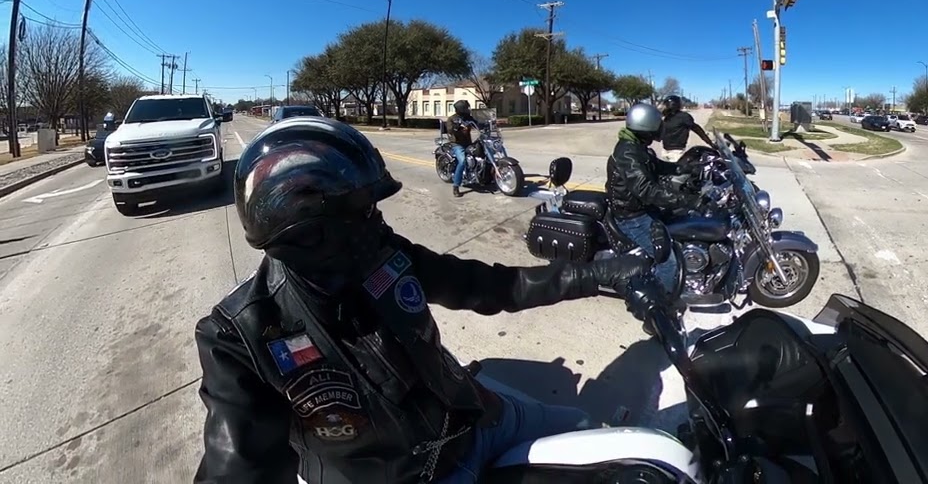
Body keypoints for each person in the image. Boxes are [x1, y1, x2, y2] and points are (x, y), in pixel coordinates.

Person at [193, 117, 649, 484]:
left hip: (480, 419)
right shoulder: (239, 336)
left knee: (586, 430)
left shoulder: (386, 257)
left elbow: (492, 287)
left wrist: (595, 274)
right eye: (366, 211)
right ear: (312, 234)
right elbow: (236, 464)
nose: (379, 221)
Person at [605, 102, 702, 297]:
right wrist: (685, 199)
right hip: (632, 217)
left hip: (642, 209)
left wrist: (684, 168)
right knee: (668, 262)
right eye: (657, 124)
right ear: (646, 126)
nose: (661, 128)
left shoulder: (638, 147)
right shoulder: (627, 153)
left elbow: (656, 165)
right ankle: (660, 303)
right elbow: (646, 190)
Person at [656, 95, 713, 162]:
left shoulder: (667, 117)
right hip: (674, 153)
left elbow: (697, 129)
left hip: (669, 151)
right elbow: (697, 130)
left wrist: (709, 142)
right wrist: (710, 142)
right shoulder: (679, 117)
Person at [446, 100, 480, 197]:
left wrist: (485, 125)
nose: (468, 109)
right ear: (461, 109)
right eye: (466, 108)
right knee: (462, 161)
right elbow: (450, 130)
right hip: (457, 144)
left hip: (468, 142)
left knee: (481, 153)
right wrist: (456, 128)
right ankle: (456, 186)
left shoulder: (468, 118)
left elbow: (477, 124)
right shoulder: (452, 119)